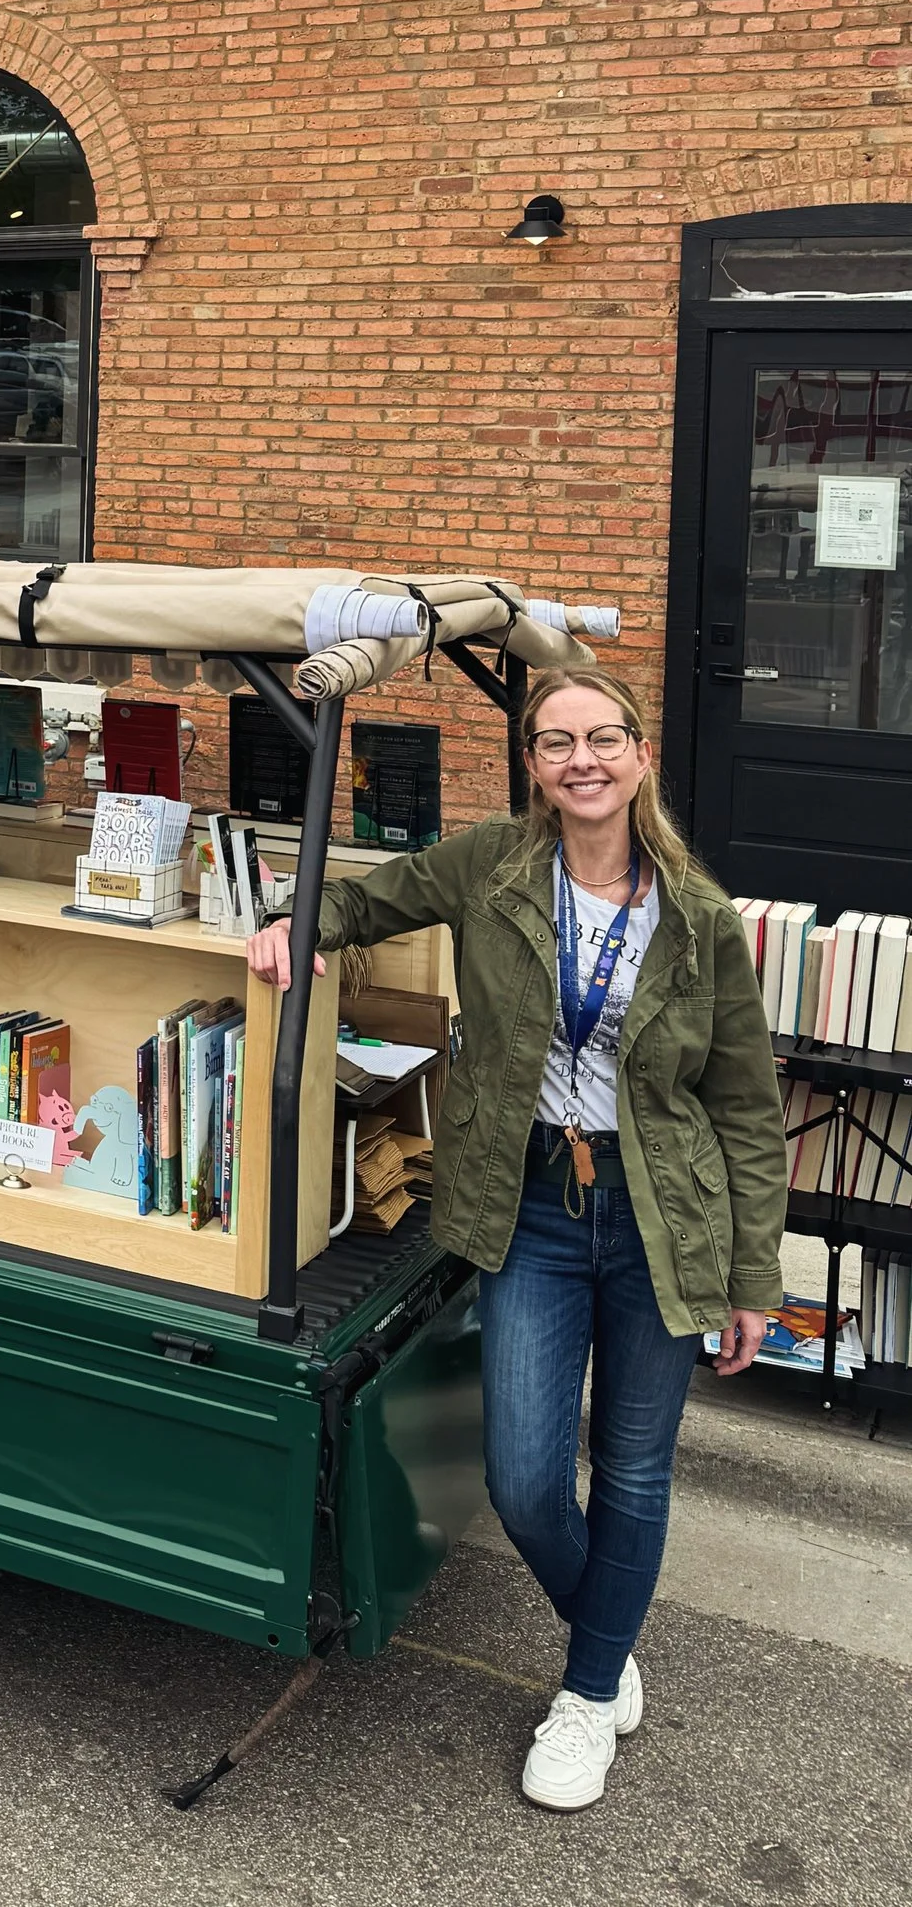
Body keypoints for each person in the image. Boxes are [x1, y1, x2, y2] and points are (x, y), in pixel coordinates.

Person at [248, 665, 785, 1811]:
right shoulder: (492, 865)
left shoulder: (698, 919)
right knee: (525, 1478)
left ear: (640, 755)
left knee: (633, 1470)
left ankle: (587, 1693)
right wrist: (291, 927)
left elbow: (743, 1105)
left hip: (663, 1218)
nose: (580, 759)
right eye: (555, 742)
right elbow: (368, 898)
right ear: (533, 766)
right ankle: (609, 1637)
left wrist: (753, 1275)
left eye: (602, 737)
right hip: (530, 1204)